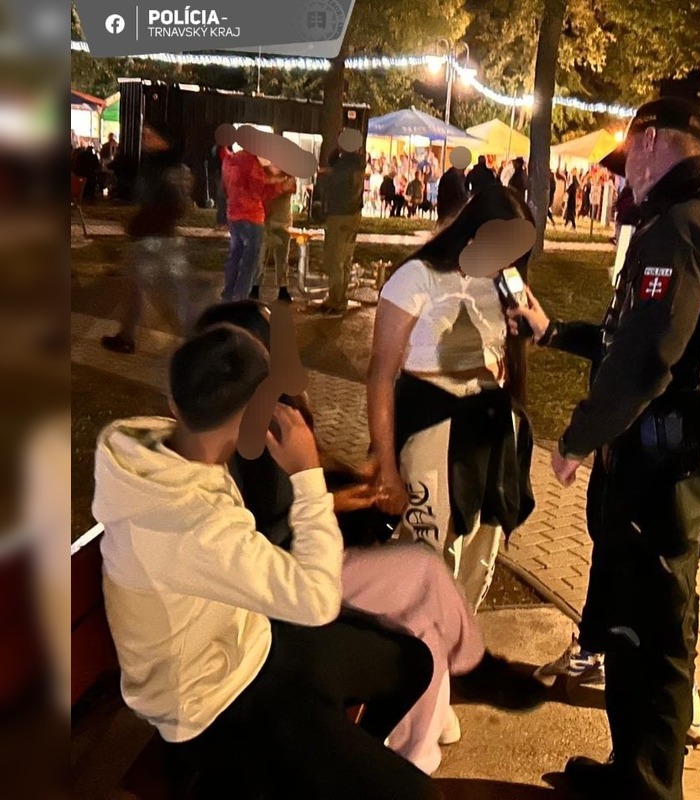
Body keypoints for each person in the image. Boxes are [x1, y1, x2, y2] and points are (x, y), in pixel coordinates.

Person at [509, 97, 700, 800]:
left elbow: (648, 358)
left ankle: (647, 784)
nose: (625, 176)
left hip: (659, 461)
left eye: (629, 156)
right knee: (649, 618)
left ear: (649, 141)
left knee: (649, 627)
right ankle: (635, 771)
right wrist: (554, 331)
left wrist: (581, 435)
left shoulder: (675, 230)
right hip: (687, 450)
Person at [93, 325, 440, 800]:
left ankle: (337, 771)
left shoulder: (158, 451)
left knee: (413, 663)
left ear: (174, 404)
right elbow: (318, 602)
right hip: (210, 710)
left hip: (249, 645)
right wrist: (306, 475)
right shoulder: (188, 526)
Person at [197, 301, 543, 774]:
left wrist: (348, 484)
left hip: (313, 557)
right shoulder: (233, 435)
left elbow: (299, 490)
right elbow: (261, 536)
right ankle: (472, 672)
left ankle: (419, 744)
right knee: (422, 570)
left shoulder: (269, 415)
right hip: (290, 582)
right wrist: (331, 500)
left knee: (421, 613)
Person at [367, 184, 537, 612]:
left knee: (479, 551)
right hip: (431, 425)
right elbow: (381, 376)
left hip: (491, 428)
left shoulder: (505, 282)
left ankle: (457, 641)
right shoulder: (417, 277)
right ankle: (416, 648)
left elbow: (506, 354)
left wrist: (526, 332)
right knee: (426, 551)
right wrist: (385, 465)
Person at [100, 127, 196, 355]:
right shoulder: (163, 166)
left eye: (153, 134)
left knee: (168, 295)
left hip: (155, 240)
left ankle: (195, 341)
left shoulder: (169, 169)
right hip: (156, 238)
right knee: (139, 289)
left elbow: (173, 205)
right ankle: (126, 337)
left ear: (168, 141)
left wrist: (143, 223)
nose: (146, 138)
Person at [312, 132, 366, 316]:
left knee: (334, 258)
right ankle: (339, 297)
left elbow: (329, 181)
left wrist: (324, 175)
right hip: (353, 214)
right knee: (345, 259)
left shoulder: (344, 167)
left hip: (340, 215)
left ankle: (335, 300)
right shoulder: (357, 163)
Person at [221, 141, 279, 301]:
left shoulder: (230, 160)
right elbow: (258, 191)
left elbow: (226, 187)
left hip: (233, 215)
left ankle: (227, 295)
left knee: (234, 257)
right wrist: (279, 186)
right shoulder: (252, 162)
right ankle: (241, 299)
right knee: (250, 262)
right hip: (251, 217)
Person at [254, 166, 297, 303]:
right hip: (264, 221)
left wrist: (272, 182)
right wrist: (277, 182)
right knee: (260, 257)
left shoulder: (289, 173)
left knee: (282, 258)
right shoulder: (263, 171)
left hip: (282, 222)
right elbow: (260, 187)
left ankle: (283, 288)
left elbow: (288, 187)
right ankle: (255, 288)